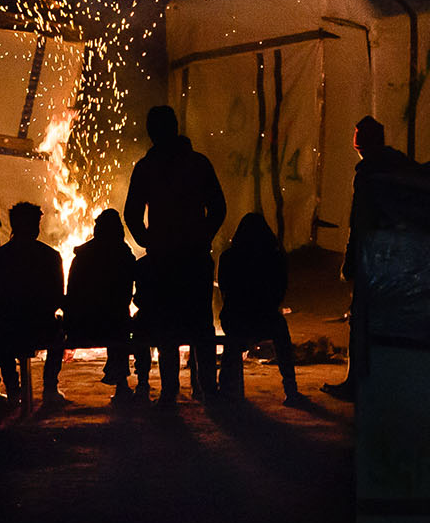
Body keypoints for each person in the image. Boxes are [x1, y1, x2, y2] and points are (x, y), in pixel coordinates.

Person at [124, 104, 226, 405]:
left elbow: (131, 214)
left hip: (163, 260)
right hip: (194, 258)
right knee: (200, 324)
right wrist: (201, 235)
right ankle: (209, 389)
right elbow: (218, 208)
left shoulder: (146, 167)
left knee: (166, 326)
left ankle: (170, 391)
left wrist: (149, 241)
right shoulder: (198, 163)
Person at [324, 115, 411, 401]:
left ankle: (356, 382)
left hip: (373, 254)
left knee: (360, 319)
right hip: (398, 252)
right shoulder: (399, 165)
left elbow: (359, 221)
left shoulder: (368, 173)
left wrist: (350, 261)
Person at [218, 211, 306, 404]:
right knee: (281, 330)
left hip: (235, 318)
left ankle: (225, 387)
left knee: (232, 337)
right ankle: (291, 389)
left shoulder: (228, 257)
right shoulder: (274, 258)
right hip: (266, 319)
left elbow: (224, 289)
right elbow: (280, 292)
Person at [0, 201, 62, 417]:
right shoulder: (50, 256)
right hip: (42, 326)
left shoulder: (0, 257)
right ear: (33, 225)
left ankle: (13, 390)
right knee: (59, 329)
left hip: (10, 327)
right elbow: (58, 297)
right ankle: (50, 387)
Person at [64, 209, 141, 402]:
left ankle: (50, 386)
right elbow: (129, 295)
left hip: (83, 325)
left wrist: (70, 323)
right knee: (125, 323)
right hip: (114, 325)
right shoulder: (124, 255)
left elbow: (71, 293)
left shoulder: (82, 256)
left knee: (119, 320)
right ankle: (125, 385)